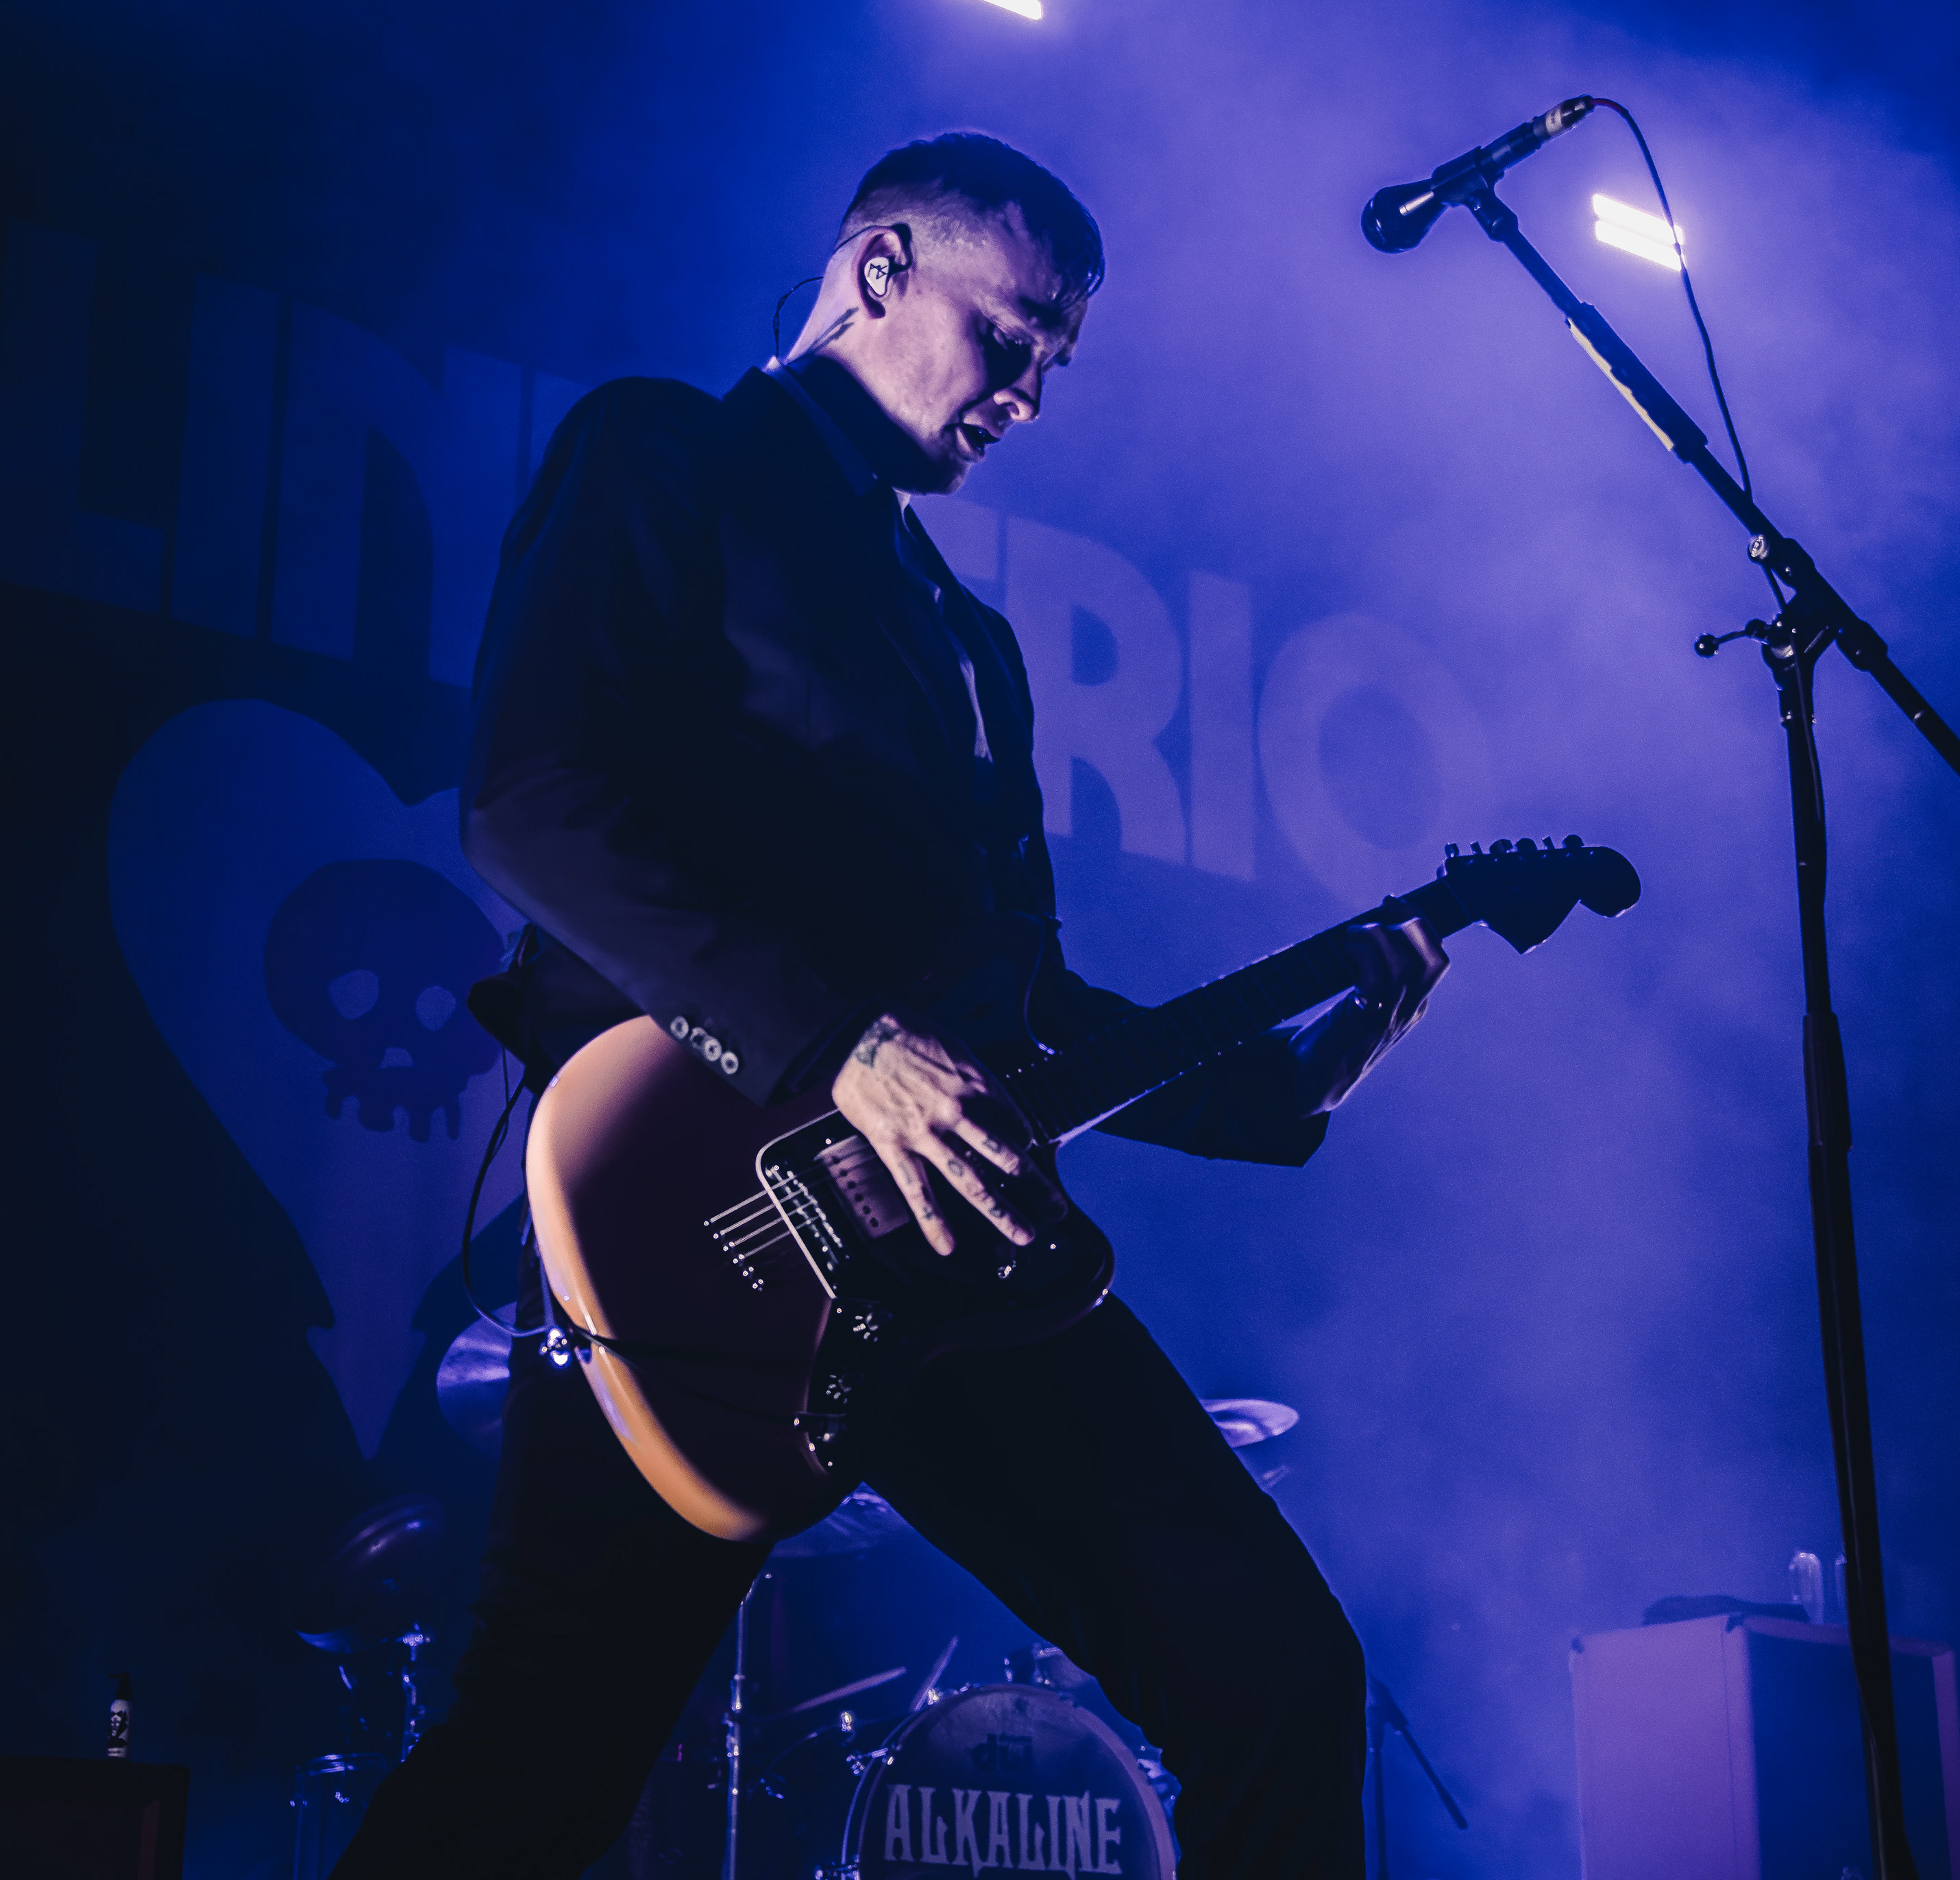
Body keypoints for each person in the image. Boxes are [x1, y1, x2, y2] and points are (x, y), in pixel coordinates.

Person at [336, 133, 1443, 1879]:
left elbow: (1023, 1005)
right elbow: (533, 801)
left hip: (950, 1252)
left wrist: (1283, 1085)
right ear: (879, 268)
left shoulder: (971, 644)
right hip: (695, 1225)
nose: (1029, 394)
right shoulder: (668, 456)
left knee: (1278, 1670)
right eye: (1011, 335)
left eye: (1056, 362)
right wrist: (839, 1046)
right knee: (534, 1770)